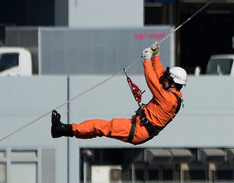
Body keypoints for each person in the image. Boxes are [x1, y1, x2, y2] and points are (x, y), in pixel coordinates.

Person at [50, 42, 185, 145]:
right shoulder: (171, 94)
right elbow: (160, 76)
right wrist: (155, 56)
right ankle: (63, 130)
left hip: (138, 130)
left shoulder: (168, 100)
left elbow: (152, 81)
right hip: (138, 126)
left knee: (100, 126)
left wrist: (146, 60)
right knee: (100, 128)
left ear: (173, 84)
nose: (164, 79)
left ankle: (62, 129)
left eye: (168, 79)